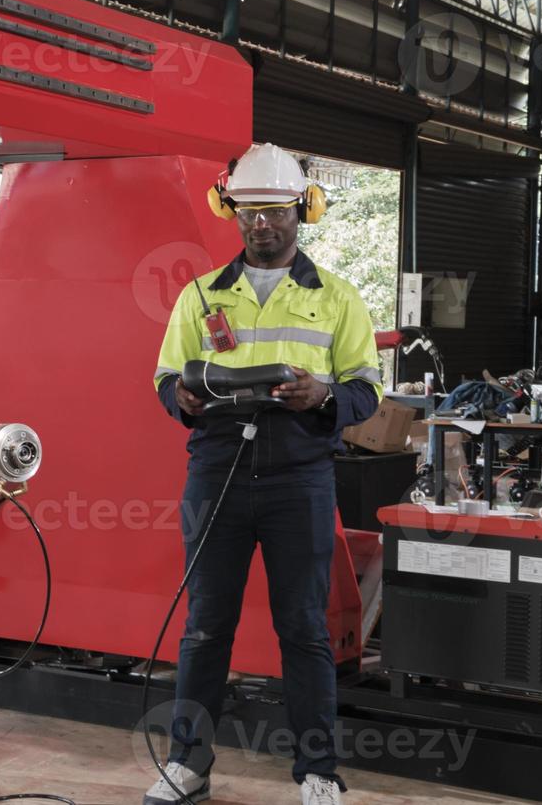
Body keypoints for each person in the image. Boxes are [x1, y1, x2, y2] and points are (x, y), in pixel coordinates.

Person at [144, 143, 382, 805]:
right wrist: (180, 399)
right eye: (250, 212)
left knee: (303, 627)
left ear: (300, 212)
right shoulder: (200, 296)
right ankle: (188, 766)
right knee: (204, 625)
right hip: (217, 471)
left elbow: (367, 390)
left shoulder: (337, 298)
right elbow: (166, 376)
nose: (262, 225)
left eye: (275, 211)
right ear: (233, 213)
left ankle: (317, 771)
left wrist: (323, 398)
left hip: (299, 477)